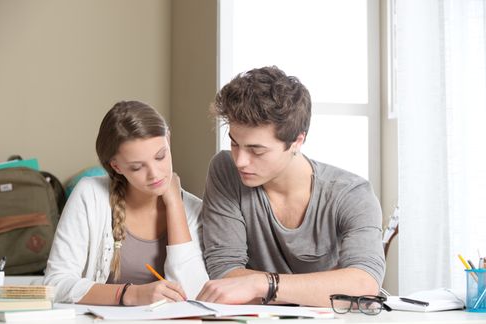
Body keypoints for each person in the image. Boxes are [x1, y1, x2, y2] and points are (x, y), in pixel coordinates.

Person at [197, 66, 386, 308]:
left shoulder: (351, 193)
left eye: (257, 150)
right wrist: (324, 287)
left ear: (297, 141)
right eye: (235, 144)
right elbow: (225, 274)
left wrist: (261, 284)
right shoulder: (225, 171)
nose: (240, 161)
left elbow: (363, 285)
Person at [44, 100, 209, 306]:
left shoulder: (195, 210)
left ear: (168, 139)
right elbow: (56, 284)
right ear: (117, 166)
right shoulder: (90, 195)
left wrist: (175, 204)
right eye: (137, 167)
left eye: (160, 156)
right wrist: (130, 294)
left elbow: (194, 296)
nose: (155, 174)